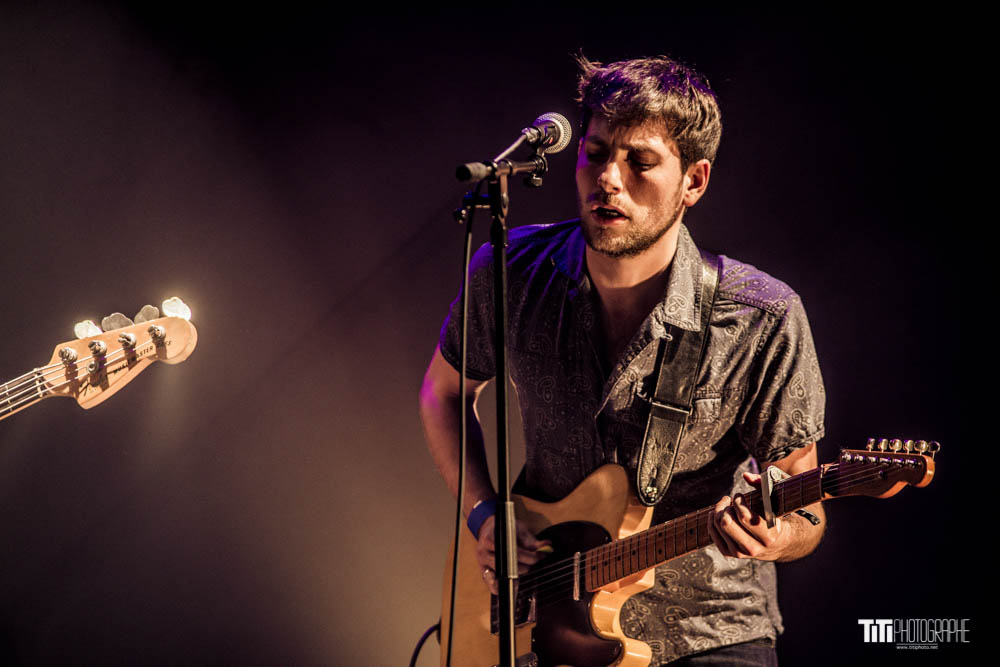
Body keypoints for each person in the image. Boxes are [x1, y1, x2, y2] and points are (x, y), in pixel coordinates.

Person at [419, 55, 826, 665]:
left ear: (694, 181)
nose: (608, 177)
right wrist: (484, 514)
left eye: (640, 161)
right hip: (546, 619)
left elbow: (807, 504)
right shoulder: (512, 274)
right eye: (595, 151)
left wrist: (775, 535)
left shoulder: (761, 315)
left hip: (708, 630)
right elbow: (443, 394)